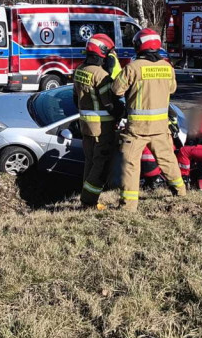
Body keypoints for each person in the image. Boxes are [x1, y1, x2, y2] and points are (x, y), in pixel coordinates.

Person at [112, 28, 186, 211]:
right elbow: (172, 89)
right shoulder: (167, 67)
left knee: (130, 164)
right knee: (167, 159)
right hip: (160, 127)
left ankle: (128, 206)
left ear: (139, 45)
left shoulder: (133, 68)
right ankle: (181, 191)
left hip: (137, 128)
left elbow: (116, 90)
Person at [72, 33, 122, 209]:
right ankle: (89, 201)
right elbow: (109, 104)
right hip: (102, 127)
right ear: (102, 53)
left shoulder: (79, 70)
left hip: (84, 125)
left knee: (90, 162)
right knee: (100, 165)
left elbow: (74, 97)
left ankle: (86, 197)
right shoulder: (101, 75)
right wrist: (120, 114)